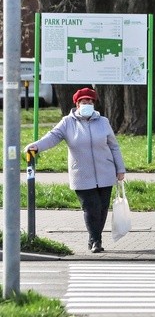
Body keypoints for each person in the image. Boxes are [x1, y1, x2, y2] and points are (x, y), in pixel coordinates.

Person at [25, 87, 126, 254]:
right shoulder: (67, 122)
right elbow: (52, 137)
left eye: (90, 102)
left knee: (101, 208)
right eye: (83, 102)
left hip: (105, 172)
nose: (87, 104)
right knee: (91, 207)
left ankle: (94, 238)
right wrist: (36, 146)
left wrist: (120, 168)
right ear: (77, 104)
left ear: (94, 104)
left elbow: (114, 147)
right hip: (81, 174)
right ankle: (96, 241)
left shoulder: (103, 122)